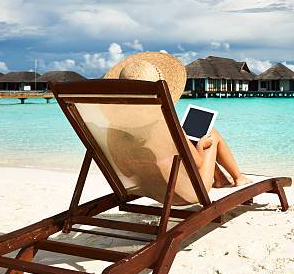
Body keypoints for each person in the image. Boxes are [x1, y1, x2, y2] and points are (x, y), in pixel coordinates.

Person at [104, 52, 251, 192]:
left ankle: (221, 179)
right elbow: (198, 162)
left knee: (187, 140)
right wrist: (200, 145)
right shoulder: (162, 126)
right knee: (210, 133)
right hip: (184, 190)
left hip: (151, 187)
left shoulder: (116, 129)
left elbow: (125, 171)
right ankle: (239, 178)